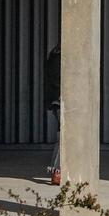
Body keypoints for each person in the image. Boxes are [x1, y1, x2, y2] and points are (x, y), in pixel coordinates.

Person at [45, 44, 62, 186]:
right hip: (61, 101)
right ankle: (57, 172)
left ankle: (56, 171)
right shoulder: (58, 58)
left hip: (58, 101)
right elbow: (58, 80)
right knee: (64, 138)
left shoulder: (55, 56)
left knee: (62, 137)